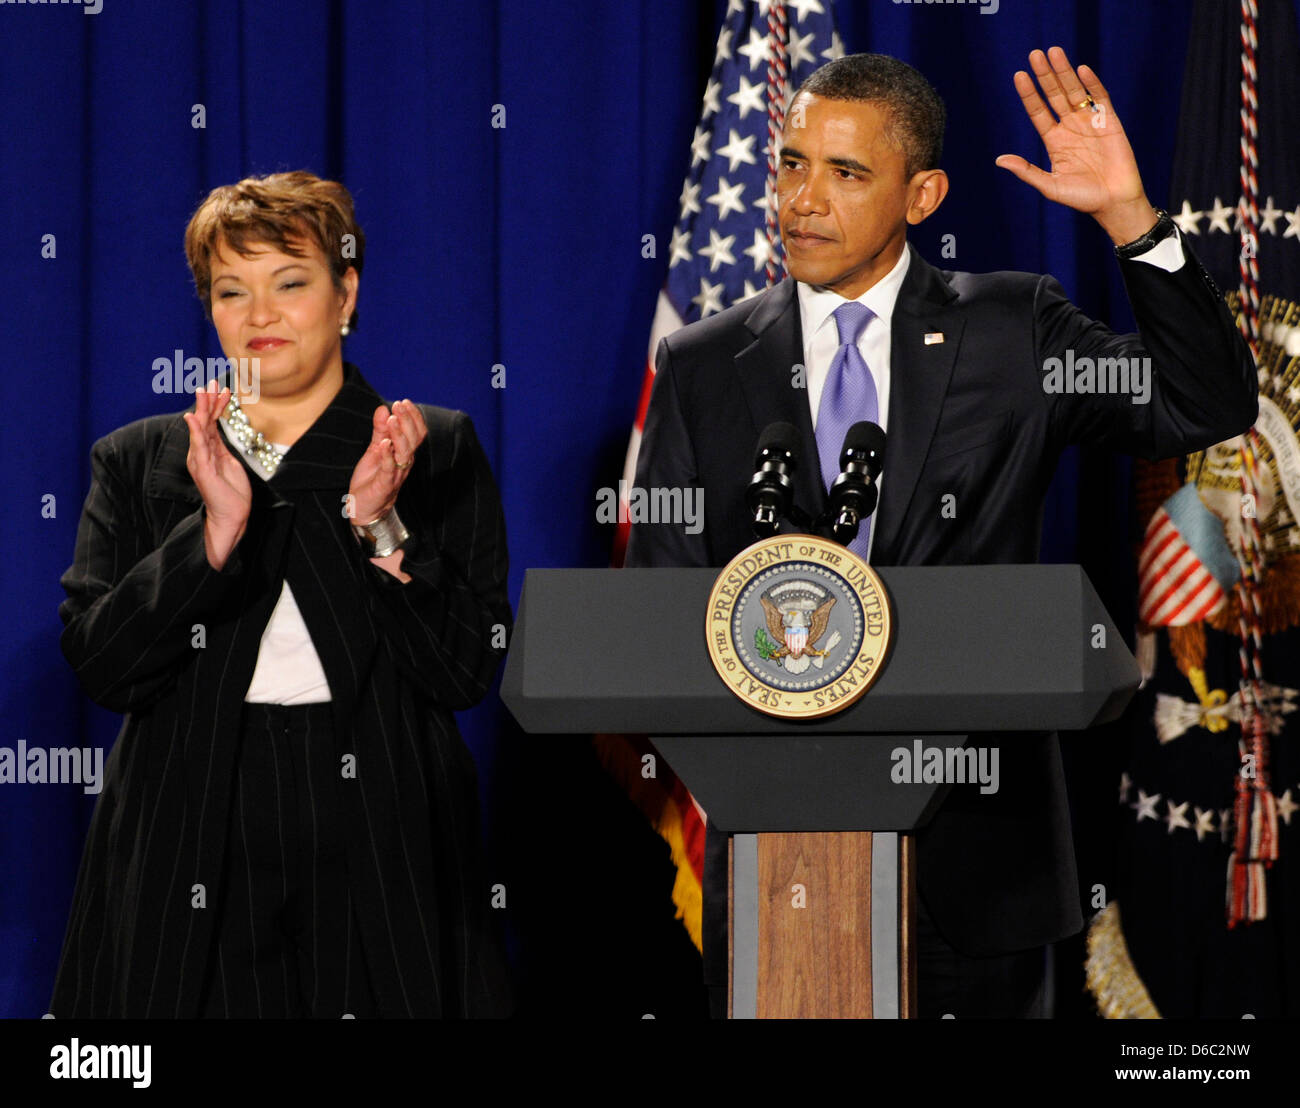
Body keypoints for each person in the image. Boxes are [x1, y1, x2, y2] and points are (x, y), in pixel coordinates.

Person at [625, 49, 1257, 1018]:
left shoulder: (1011, 330)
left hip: (976, 857)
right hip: (778, 862)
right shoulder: (705, 362)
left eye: (845, 172)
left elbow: (1201, 401)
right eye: (791, 163)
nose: (802, 197)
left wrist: (1131, 220)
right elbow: (665, 604)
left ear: (921, 194)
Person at [50, 170, 512, 1018]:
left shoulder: (434, 450)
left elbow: (463, 671)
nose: (259, 315)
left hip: (382, 825)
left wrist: (379, 526)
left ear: (346, 294)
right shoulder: (142, 461)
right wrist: (210, 539)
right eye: (232, 291)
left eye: (290, 282)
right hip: (189, 826)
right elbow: (102, 668)